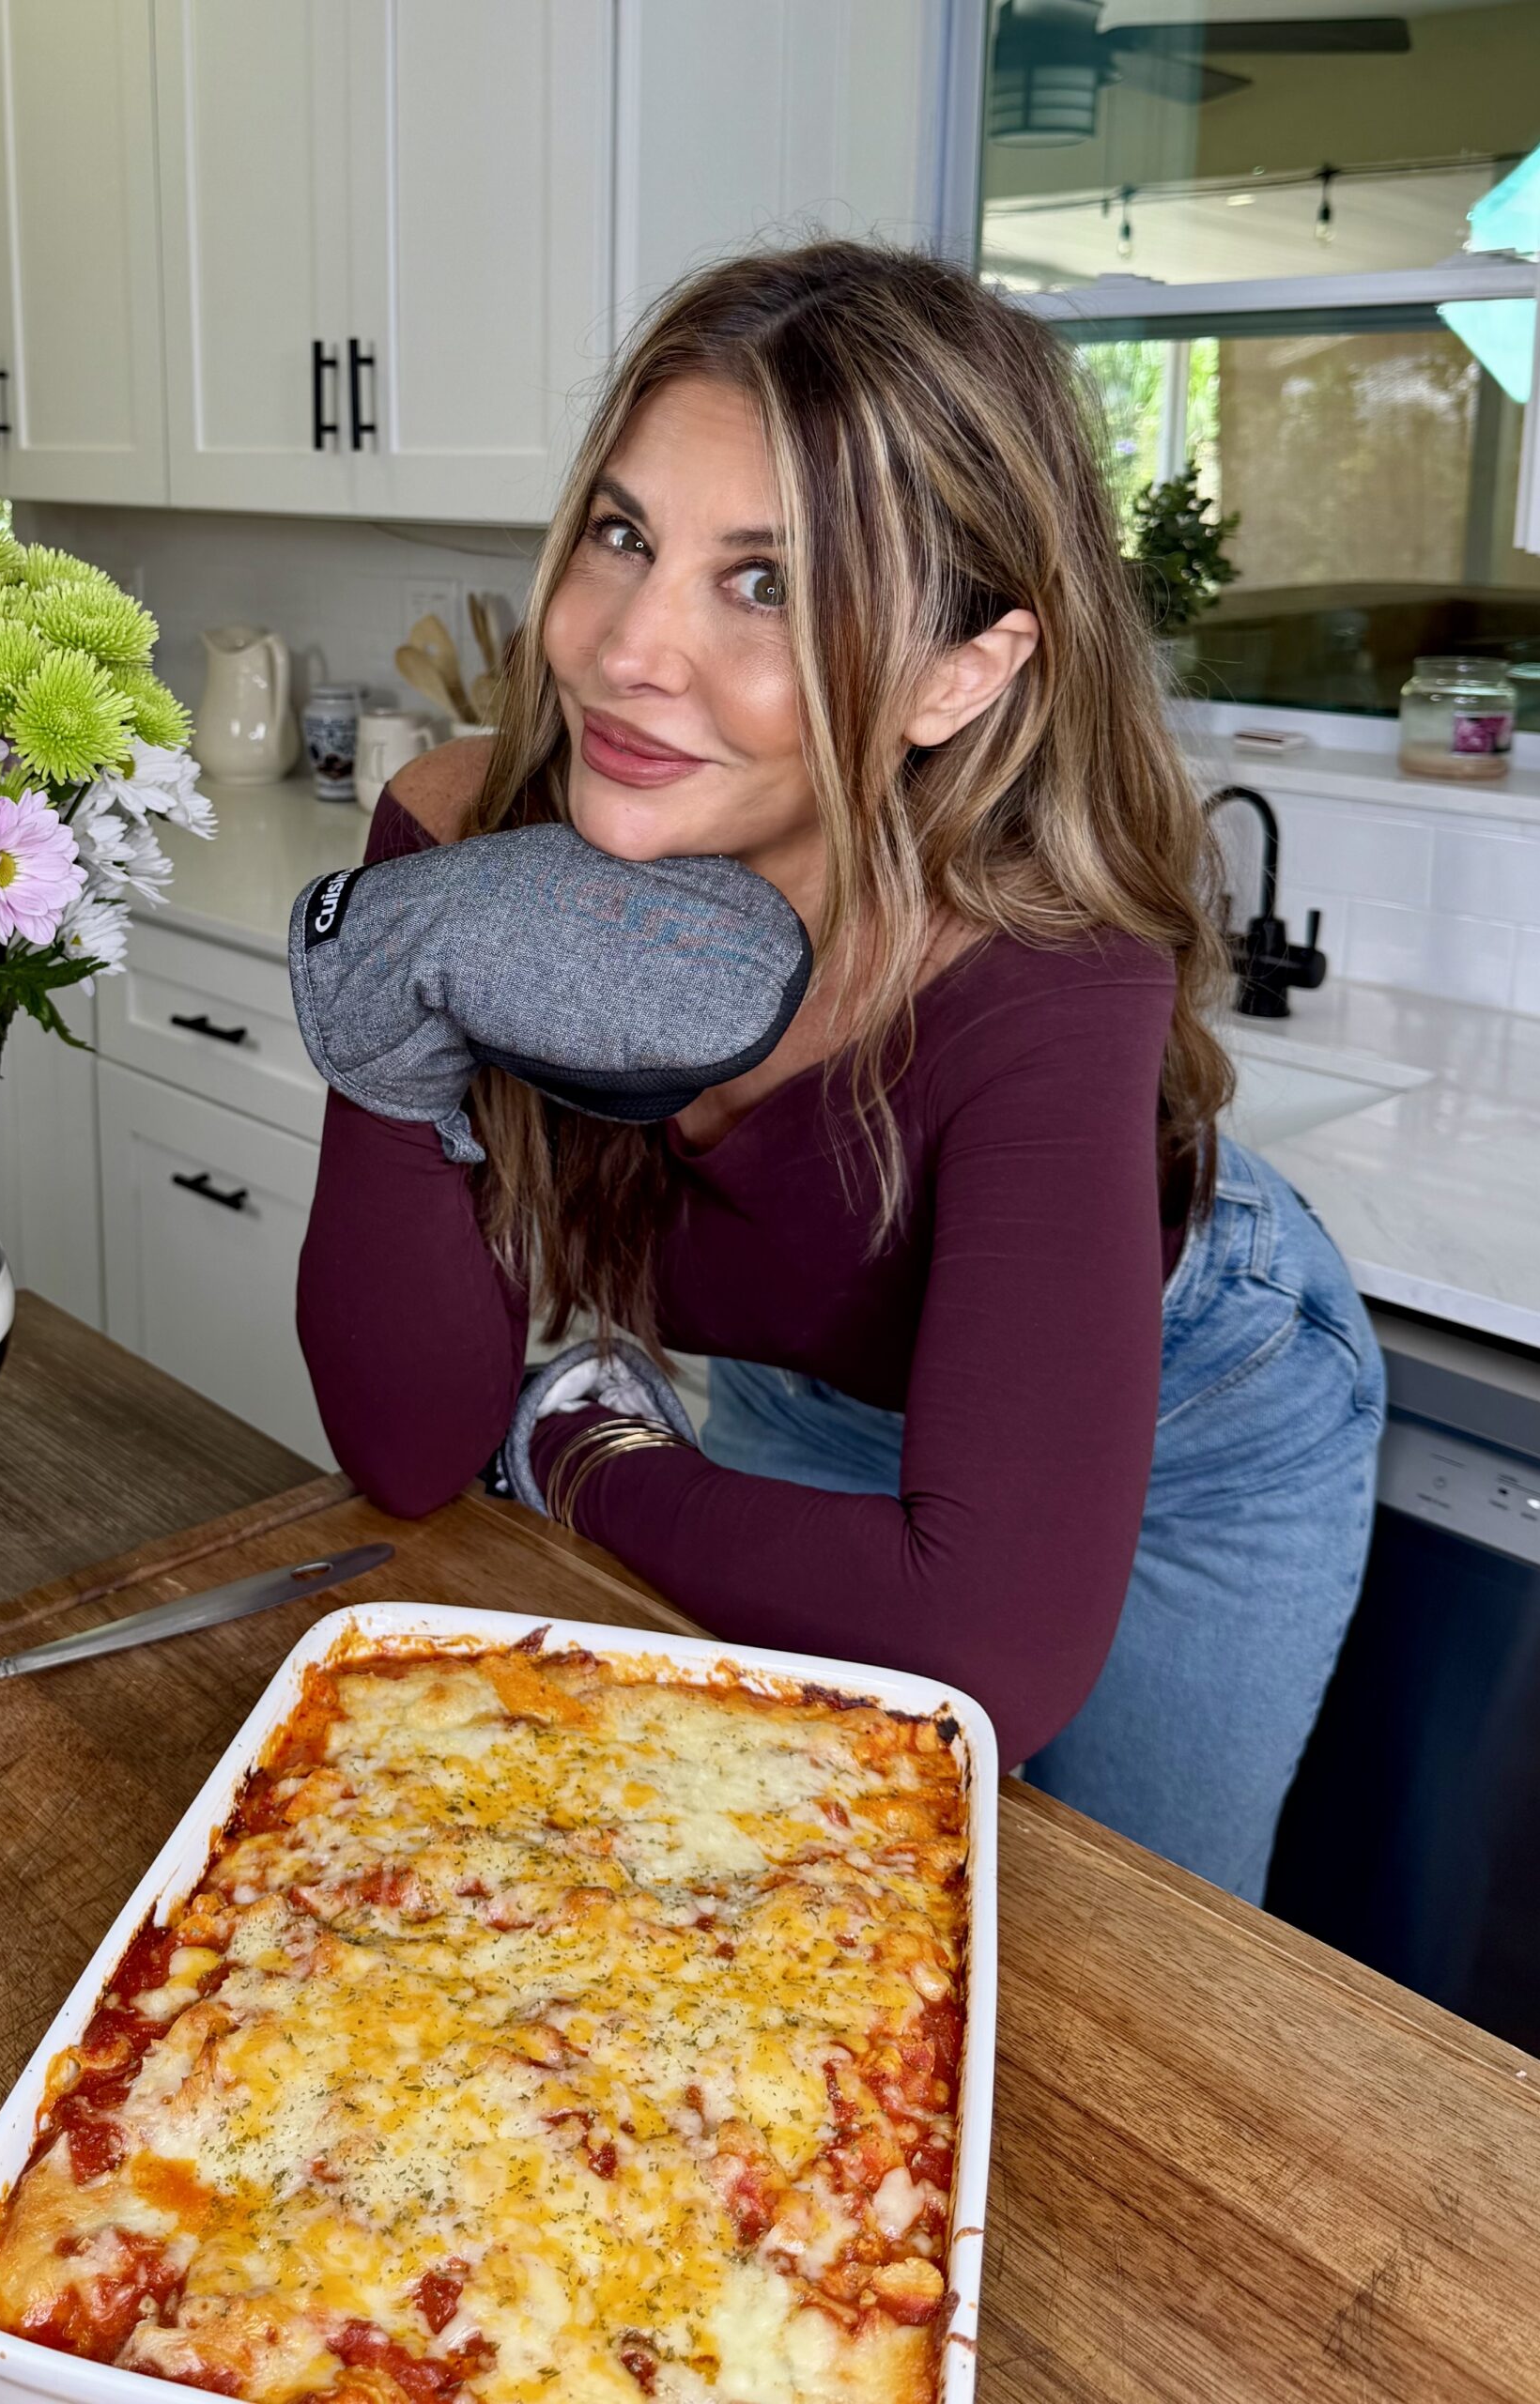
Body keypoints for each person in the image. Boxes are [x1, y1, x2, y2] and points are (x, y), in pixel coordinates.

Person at [292, 242, 1384, 1904]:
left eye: (768, 583)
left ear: (962, 673)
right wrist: (387, 1010)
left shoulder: (1041, 975)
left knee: (1126, 1939)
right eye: (621, 534)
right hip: (821, 1390)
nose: (623, 652)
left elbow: (988, 1641)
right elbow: (410, 1447)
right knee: (802, 1888)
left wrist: (586, 1455)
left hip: (1201, 1404)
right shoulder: (458, 847)